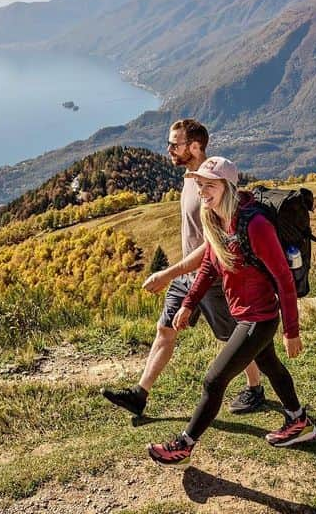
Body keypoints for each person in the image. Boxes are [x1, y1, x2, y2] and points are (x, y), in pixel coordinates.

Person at [147, 156, 316, 466]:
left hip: (260, 317)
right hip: (244, 313)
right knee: (271, 367)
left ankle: (184, 444)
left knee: (214, 381)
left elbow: (283, 279)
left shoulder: (256, 225)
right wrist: (188, 304)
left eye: (209, 185)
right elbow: (210, 266)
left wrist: (292, 330)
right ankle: (299, 420)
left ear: (227, 186)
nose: (202, 191)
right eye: (199, 185)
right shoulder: (215, 219)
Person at [100, 119, 266, 418]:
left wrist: (168, 273)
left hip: (213, 278)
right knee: (165, 330)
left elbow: (213, 244)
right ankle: (140, 394)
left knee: (232, 338)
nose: (169, 149)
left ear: (194, 147)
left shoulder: (214, 186)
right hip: (186, 275)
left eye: (175, 144)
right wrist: (178, 273)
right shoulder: (191, 178)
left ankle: (255, 388)